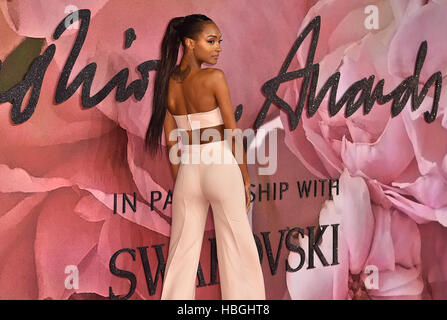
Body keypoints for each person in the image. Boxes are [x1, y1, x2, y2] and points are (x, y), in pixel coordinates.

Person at [145, 14, 265, 300]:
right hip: (220, 164)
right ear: (189, 43)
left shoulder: (166, 83)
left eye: (219, 41)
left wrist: (183, 183)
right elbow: (231, 132)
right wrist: (245, 178)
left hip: (189, 170)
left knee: (181, 253)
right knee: (237, 248)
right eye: (211, 41)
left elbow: (172, 141)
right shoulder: (214, 78)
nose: (218, 47)